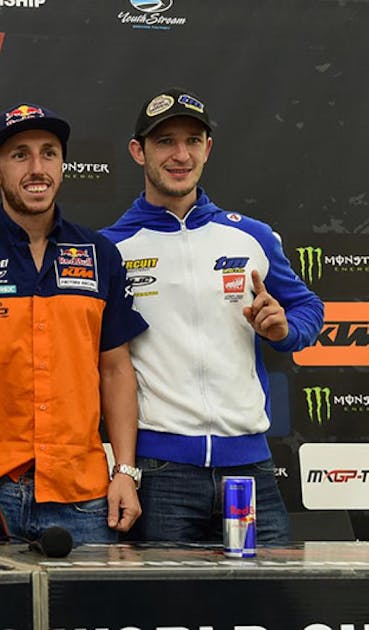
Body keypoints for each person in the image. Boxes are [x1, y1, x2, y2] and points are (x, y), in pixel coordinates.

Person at [100, 87, 325, 544]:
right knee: (171, 593)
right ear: (138, 151)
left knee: (268, 590)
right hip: (161, 472)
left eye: (192, 141)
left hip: (250, 469)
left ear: (208, 148)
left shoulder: (251, 237)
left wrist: (285, 329)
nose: (181, 155)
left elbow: (308, 307)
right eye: (165, 141)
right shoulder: (110, 248)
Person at [0, 104, 148, 545]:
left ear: (62, 166)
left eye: (49, 153)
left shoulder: (100, 254)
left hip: (81, 495)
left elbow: (116, 370)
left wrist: (125, 470)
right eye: (20, 155)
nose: (37, 168)